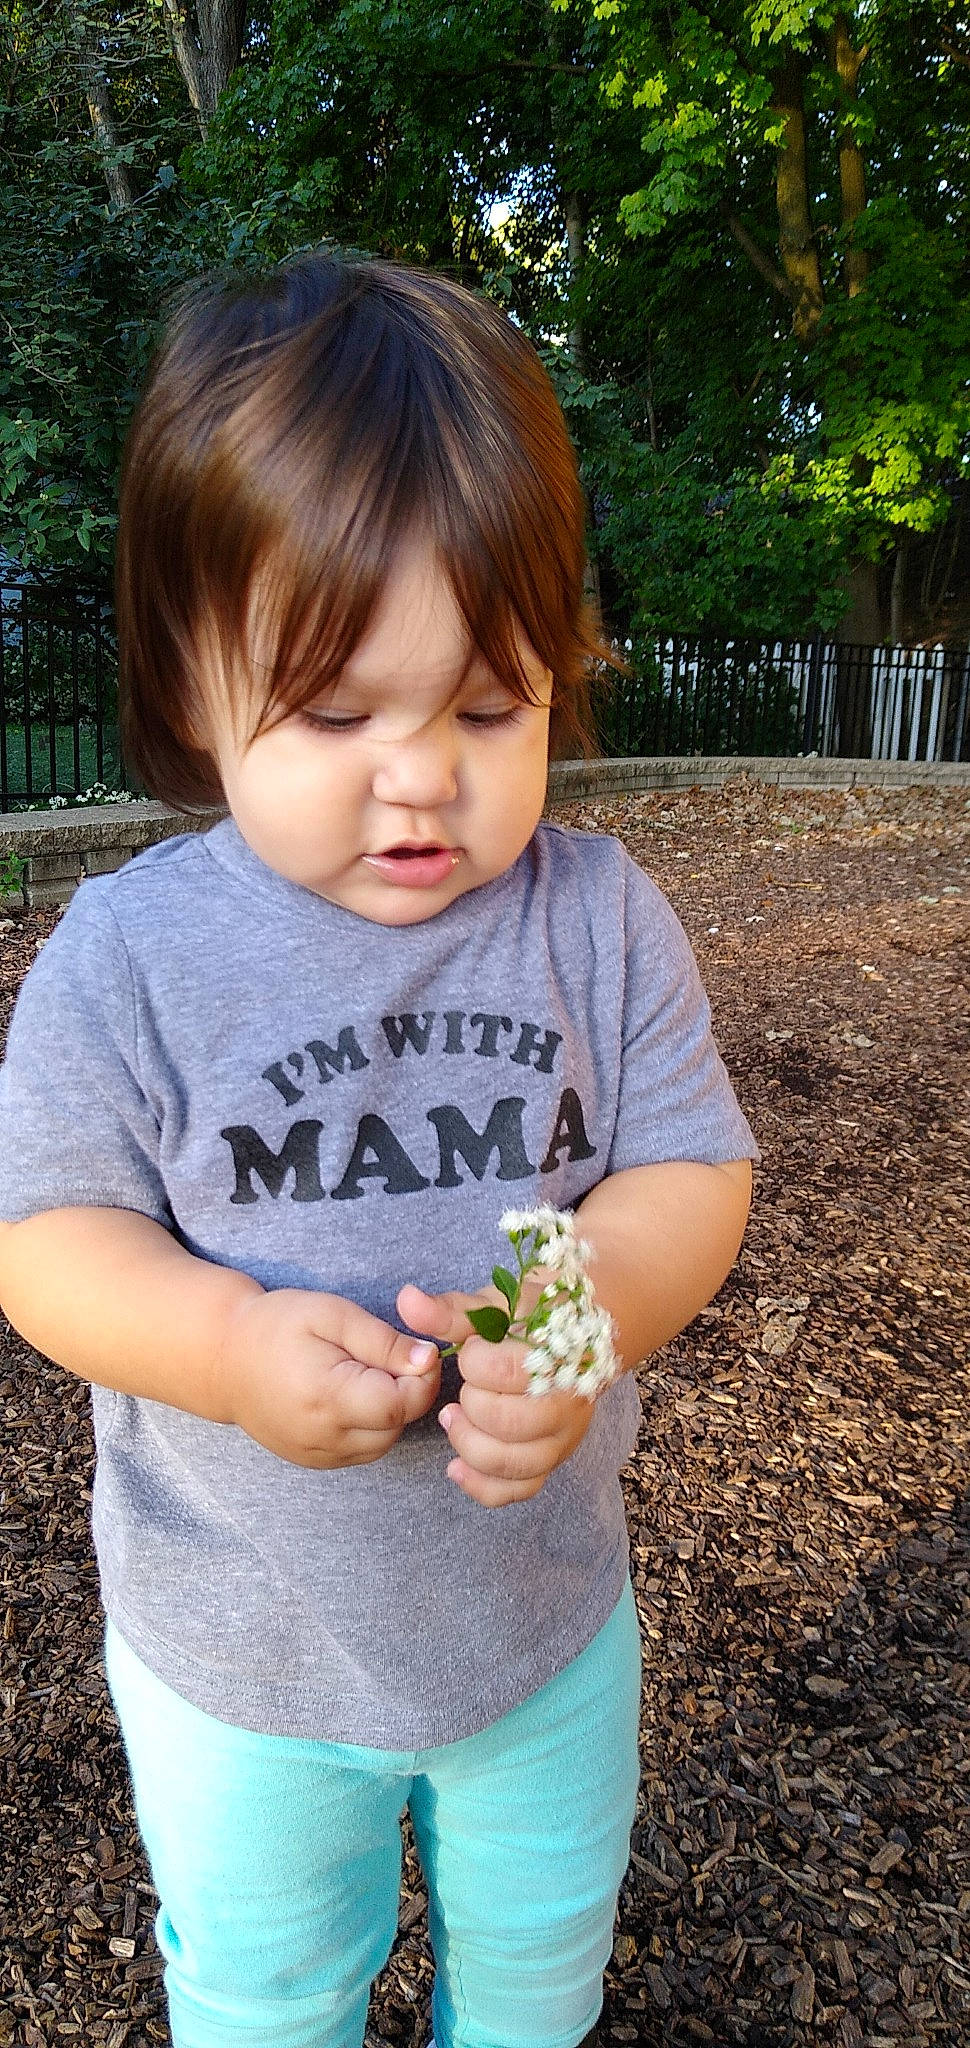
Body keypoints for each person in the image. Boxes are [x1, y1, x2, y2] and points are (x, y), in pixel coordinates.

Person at [0, 252, 757, 2048]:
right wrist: (227, 1352)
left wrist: (585, 1317)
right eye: (338, 714)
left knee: (536, 1978)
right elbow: (45, 1240)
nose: (418, 777)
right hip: (239, 1655)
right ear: (193, 675)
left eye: (487, 708)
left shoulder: (599, 914)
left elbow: (687, 1174)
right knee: (267, 1997)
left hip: (541, 1626)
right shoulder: (130, 956)